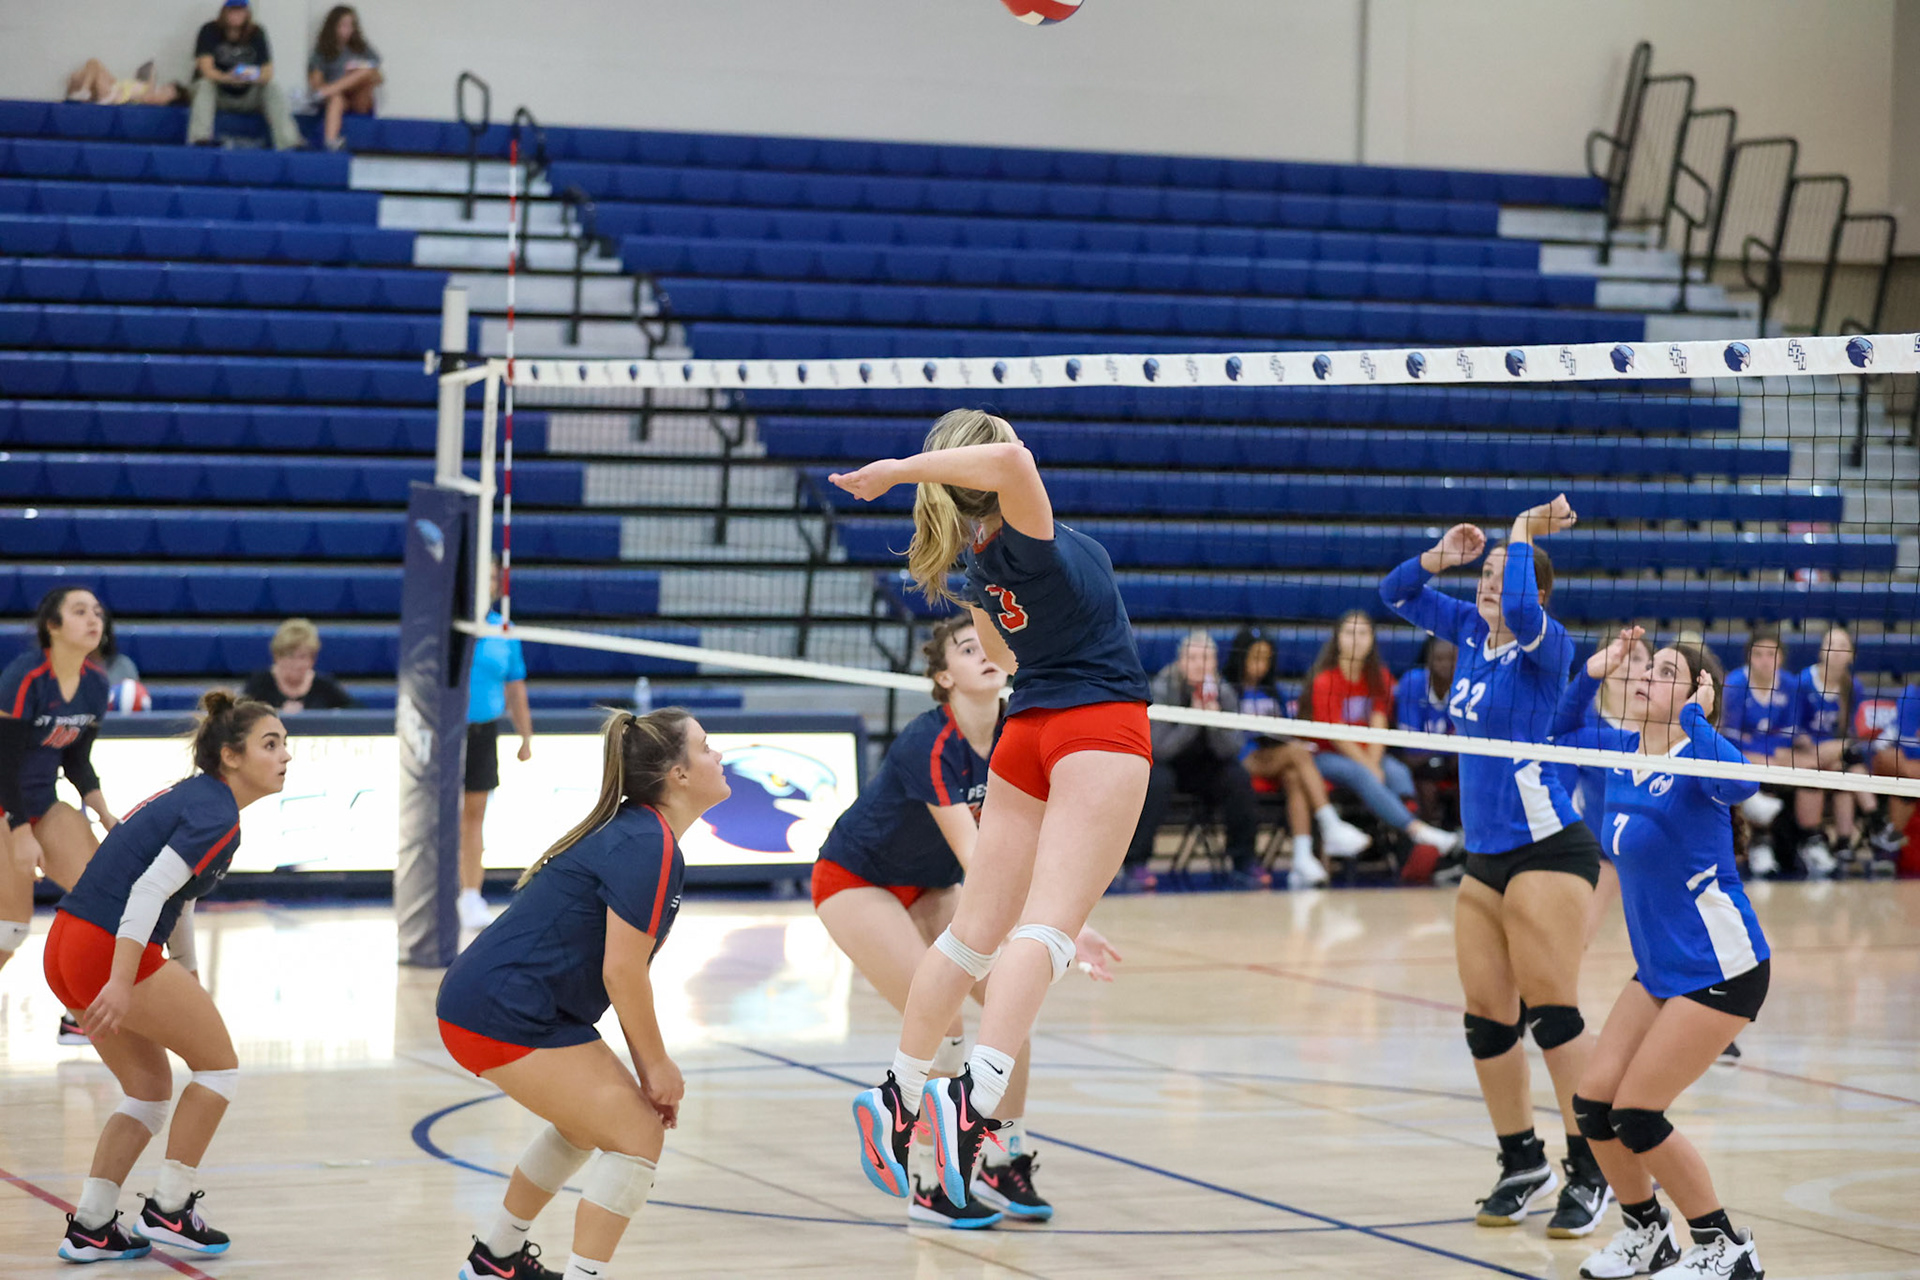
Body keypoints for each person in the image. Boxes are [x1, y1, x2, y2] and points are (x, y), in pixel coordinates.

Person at [831, 409, 1152, 1213]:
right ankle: (976, 1100)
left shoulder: (975, 565)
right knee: (1044, 929)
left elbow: (1007, 657)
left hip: (1025, 731)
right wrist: (897, 471)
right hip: (1098, 724)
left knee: (972, 935)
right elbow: (1013, 456)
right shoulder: (1023, 528)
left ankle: (902, 1092)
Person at [813, 615, 1120, 1228]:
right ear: (941, 675)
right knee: (947, 1018)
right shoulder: (927, 741)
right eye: (965, 648)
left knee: (1012, 996)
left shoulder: (1018, 731)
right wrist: (1046, 924)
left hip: (933, 886)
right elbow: (977, 857)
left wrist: (1065, 921)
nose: (983, 653)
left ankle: (1003, 1152)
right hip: (858, 881)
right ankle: (930, 1180)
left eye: (989, 645)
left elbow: (1031, 843)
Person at [1379, 496, 1612, 1239]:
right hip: (1485, 853)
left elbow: (1517, 594)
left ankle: (1590, 1165)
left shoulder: (1549, 647)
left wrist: (1520, 531)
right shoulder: (1470, 636)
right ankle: (1522, 1160)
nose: (1488, 587)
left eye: (1501, 577)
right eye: (1482, 577)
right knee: (1487, 1018)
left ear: (1536, 595)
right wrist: (1441, 557)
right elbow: (1394, 593)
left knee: (1554, 1015)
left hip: (1548, 846)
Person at [436, 708, 728, 1280]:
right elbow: (624, 973)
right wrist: (657, 1067)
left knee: (582, 1126)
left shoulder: (645, 835)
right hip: (502, 1011)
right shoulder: (649, 843)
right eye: (706, 746)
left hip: (496, 1005)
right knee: (638, 1133)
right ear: (678, 775)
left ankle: (494, 1259)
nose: (719, 755)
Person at [1551, 638, 1771, 1280]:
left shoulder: (1701, 757)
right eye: (1649, 666)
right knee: (1593, 1106)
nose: (1647, 675)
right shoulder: (1619, 752)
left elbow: (1742, 783)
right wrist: (1589, 675)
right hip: (1660, 971)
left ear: (1697, 692)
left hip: (1721, 967)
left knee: (1638, 1114)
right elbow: (1558, 732)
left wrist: (1698, 719)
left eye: (1667, 671)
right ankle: (1650, 1235)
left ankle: (1727, 1248)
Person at [44, 691, 288, 1261]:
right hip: (106, 945)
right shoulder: (216, 813)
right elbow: (151, 891)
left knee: (149, 1093)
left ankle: (92, 1226)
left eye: (285, 745)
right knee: (220, 1069)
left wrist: (189, 976)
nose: (284, 756)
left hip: (66, 943)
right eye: (270, 744)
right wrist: (125, 980)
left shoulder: (200, 800)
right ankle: (170, 1211)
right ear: (231, 756)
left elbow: (178, 901)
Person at [1, 587, 120, 1047]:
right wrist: (18, 830)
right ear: (53, 626)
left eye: (97, 612)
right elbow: (2, 763)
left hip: (43, 802)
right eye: (79, 611)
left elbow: (76, 760)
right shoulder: (26, 676)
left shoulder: (96, 682)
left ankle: (78, 1016)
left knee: (101, 901)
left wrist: (101, 806)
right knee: (8, 930)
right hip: (4, 802)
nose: (93, 619)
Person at [1304, 610, 1461, 861]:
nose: (1357, 639)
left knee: (1397, 771)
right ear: (1338, 638)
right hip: (1326, 756)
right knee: (1361, 773)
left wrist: (1373, 763)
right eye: (1350, 632)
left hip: (1368, 754)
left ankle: (1407, 848)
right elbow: (1335, 735)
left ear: (1372, 639)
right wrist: (1369, 767)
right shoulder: (1325, 680)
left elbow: (1379, 725)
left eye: (1364, 633)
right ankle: (1417, 831)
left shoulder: (1380, 678)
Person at [1229, 626, 1371, 888]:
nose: (1261, 665)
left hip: (1274, 756)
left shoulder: (1273, 692)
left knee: (1295, 773)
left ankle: (1302, 859)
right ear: (1241, 657)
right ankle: (1330, 825)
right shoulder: (1230, 689)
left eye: (1266, 658)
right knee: (1297, 754)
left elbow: (1289, 729)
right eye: (1255, 657)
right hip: (1241, 759)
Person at [1125, 632, 1265, 886]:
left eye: (1206, 658)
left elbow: (1231, 749)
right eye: (1193, 657)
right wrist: (1194, 718)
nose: (1200, 664)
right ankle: (1136, 863)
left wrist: (1213, 722)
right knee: (1157, 781)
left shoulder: (1223, 692)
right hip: (1170, 765)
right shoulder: (1162, 688)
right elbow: (1161, 749)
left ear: (1215, 663)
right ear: (1181, 661)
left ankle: (1244, 861)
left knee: (1238, 777)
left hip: (1207, 766)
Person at [460, 580, 534, 932]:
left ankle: (470, 895)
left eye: (491, 577)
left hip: (482, 732)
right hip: (446, 734)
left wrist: (525, 735)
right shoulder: (451, 623)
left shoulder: (503, 630)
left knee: (475, 815)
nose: (486, 583)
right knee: (440, 818)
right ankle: (438, 893)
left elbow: (515, 686)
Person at [1791, 625, 1874, 876]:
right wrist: (1816, 746)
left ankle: (1844, 845)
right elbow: (1792, 731)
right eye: (1831, 645)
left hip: (1835, 757)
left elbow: (1847, 730)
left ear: (1851, 655)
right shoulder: (1803, 682)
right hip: (1803, 755)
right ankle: (1875, 821)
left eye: (1843, 647)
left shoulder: (1852, 687)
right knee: (1846, 757)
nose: (1836, 652)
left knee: (1842, 769)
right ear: (1821, 651)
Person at [1720, 627, 1797, 878]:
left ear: (1781, 657)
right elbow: (1731, 738)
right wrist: (1763, 750)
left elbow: (1788, 735)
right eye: (1758, 654)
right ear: (1749, 658)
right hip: (1742, 759)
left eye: (1771, 654)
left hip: (1777, 758)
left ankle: (1802, 843)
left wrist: (1763, 747)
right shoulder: (1735, 684)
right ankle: (1759, 841)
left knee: (1813, 760)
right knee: (1742, 764)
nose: (1765, 661)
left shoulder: (1789, 685)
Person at [189, 0, 301, 151]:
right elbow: (206, 70)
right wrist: (228, 78)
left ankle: (289, 142)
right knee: (204, 84)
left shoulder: (257, 32)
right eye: (233, 10)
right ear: (224, 11)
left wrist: (249, 77)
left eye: (240, 10)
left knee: (272, 87)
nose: (236, 14)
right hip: (219, 93)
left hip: (247, 93)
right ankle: (200, 139)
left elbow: (268, 72)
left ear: (247, 12)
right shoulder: (209, 30)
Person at [241, 618, 358, 712]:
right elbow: (239, 716)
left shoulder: (324, 685)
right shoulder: (259, 684)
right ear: (277, 657)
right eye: (290, 656)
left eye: (302, 657)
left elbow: (355, 712)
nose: (296, 664)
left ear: (313, 659)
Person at [307, 5, 382, 151]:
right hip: (339, 99)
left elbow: (378, 77)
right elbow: (316, 83)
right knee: (335, 97)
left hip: (360, 98)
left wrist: (356, 71)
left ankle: (331, 90)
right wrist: (331, 88)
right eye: (343, 25)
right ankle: (331, 141)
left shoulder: (361, 47)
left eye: (351, 26)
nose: (348, 30)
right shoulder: (322, 51)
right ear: (333, 26)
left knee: (366, 71)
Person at [65, 58, 187, 106]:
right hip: (115, 85)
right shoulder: (150, 88)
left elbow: (147, 98)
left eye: (168, 91)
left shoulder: (151, 96)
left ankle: (84, 91)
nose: (163, 88)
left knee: (93, 65)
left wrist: (152, 75)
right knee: (83, 71)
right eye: (166, 87)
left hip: (114, 95)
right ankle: (84, 91)